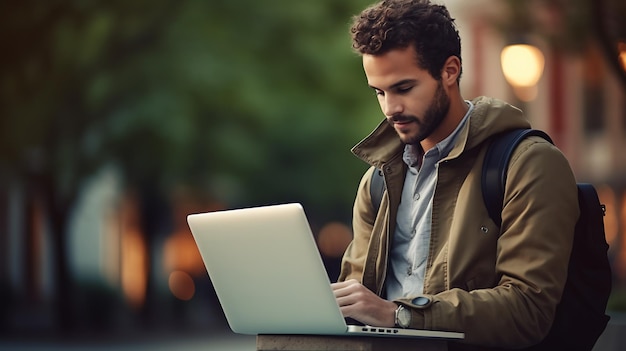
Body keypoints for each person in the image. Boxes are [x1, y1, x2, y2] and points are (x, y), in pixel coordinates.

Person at [330, 0, 580, 349]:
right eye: (379, 92)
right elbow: (359, 299)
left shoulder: (527, 164)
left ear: (449, 71)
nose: (390, 109)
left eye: (403, 89)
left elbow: (529, 308)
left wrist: (399, 314)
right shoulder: (377, 182)